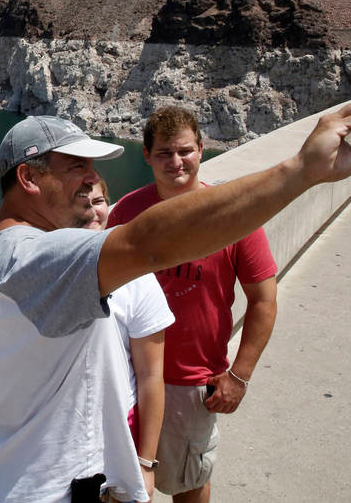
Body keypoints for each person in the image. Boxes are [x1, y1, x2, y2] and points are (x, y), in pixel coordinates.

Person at [0, 95, 351, 503]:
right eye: (76, 168)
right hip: (50, 491)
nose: (93, 181)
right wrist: (299, 171)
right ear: (29, 177)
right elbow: (151, 242)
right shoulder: (40, 257)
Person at [106, 106, 278, 503]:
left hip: (191, 380)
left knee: (190, 479)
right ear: (146, 155)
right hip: (128, 374)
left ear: (202, 150)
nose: (176, 162)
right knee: (122, 480)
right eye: (164, 153)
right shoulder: (128, 212)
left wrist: (240, 375)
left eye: (185, 150)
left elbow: (264, 299)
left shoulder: (231, 214)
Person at [86, 176, 173, 501]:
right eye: (80, 202)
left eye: (97, 201)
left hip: (122, 428)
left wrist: (146, 463)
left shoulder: (136, 277)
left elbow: (151, 376)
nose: (91, 211)